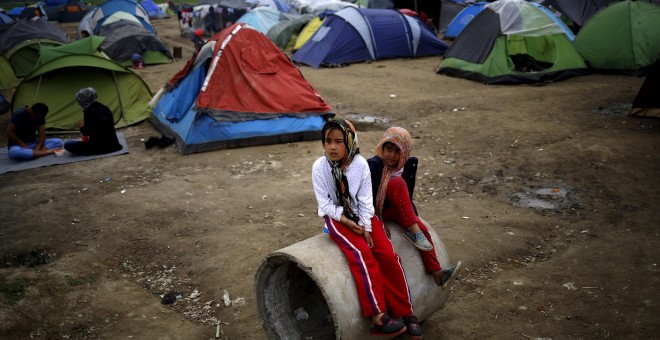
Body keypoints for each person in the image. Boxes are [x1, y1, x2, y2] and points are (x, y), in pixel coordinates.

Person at [312, 119, 423, 339]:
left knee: (388, 256)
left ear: (350, 142)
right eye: (327, 141)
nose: (332, 147)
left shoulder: (361, 165)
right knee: (362, 254)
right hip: (337, 217)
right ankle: (377, 317)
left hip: (364, 216)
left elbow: (365, 200)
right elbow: (324, 205)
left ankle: (405, 312)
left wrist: (367, 227)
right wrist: (347, 222)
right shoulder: (320, 167)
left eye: (338, 141)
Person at [368, 127, 463, 289]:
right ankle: (416, 233)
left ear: (404, 152)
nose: (391, 155)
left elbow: (407, 198)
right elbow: (366, 197)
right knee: (397, 183)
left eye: (396, 151)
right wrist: (377, 223)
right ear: (382, 147)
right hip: (377, 211)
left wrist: (414, 220)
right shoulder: (374, 165)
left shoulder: (408, 165)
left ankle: (437, 274)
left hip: (395, 210)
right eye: (388, 149)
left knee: (423, 230)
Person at [63, 88, 122, 156]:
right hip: (114, 146)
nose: (79, 103)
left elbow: (86, 133)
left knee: (68, 144)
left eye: (79, 100)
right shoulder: (105, 107)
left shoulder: (88, 111)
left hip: (97, 148)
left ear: (83, 100)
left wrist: (82, 127)